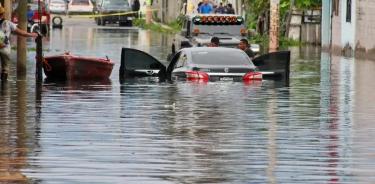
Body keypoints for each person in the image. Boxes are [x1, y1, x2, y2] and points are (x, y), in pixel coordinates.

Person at [0, 6, 38, 81]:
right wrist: (31, 34)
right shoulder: (8, 23)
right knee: (5, 69)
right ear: (2, 14)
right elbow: (21, 33)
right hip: (5, 49)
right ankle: (4, 85)